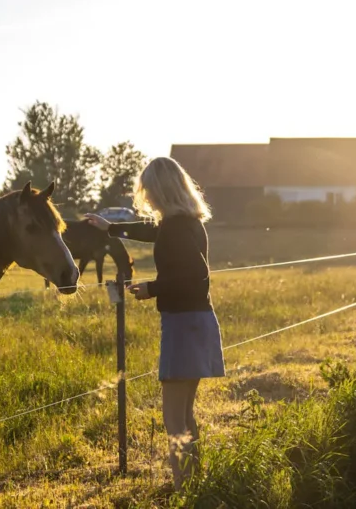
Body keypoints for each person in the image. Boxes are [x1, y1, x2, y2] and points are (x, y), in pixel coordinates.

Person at [85, 156, 225, 491]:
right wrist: (112, 228)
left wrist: (152, 289)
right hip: (198, 321)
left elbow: (195, 276)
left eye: (147, 191)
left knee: (174, 418)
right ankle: (194, 485)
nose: (145, 198)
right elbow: (154, 233)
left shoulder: (177, 227)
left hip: (183, 324)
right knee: (186, 414)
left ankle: (182, 490)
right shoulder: (187, 222)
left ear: (161, 190)